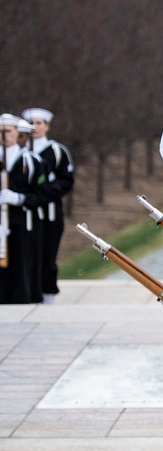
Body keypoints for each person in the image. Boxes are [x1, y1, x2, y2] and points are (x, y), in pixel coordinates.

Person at [22, 108, 73, 305]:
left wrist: (43, 194)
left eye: (39, 123)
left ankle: (48, 295)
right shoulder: (22, 153)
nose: (35, 127)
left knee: (48, 254)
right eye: (31, 123)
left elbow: (66, 181)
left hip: (50, 214)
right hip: (27, 214)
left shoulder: (56, 151)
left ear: (46, 126)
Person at [0, 114, 47, 304]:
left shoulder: (31, 161)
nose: (4, 135)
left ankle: (21, 297)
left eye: (8, 131)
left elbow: (42, 194)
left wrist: (20, 199)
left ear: (17, 133)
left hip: (21, 220)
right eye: (0, 132)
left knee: (21, 260)